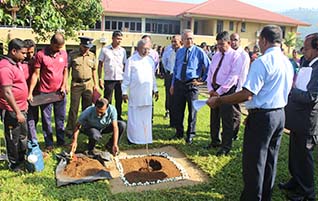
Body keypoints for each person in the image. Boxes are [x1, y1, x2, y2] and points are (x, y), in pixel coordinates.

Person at [206, 25, 294, 200]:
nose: (258, 44)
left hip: (263, 117)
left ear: (264, 40)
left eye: (259, 40)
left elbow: (247, 93)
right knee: (270, 160)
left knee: (254, 162)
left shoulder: (263, 61)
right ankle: (265, 196)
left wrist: (220, 100)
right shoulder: (287, 62)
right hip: (279, 115)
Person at [280, 33, 318, 201]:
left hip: (308, 120)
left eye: (307, 48)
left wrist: (291, 90)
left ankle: (307, 192)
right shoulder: (305, 62)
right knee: (295, 154)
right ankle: (296, 181)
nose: (303, 51)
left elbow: (312, 97)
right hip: (297, 119)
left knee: (305, 157)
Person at [28, 33, 68, 152]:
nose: (59, 49)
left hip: (59, 92)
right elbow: (36, 74)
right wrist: (30, 92)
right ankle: (49, 143)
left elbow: (65, 70)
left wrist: (64, 85)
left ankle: (61, 140)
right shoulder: (41, 55)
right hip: (45, 93)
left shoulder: (64, 54)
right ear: (52, 43)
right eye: (57, 47)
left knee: (60, 118)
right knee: (46, 119)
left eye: (61, 47)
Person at [170, 29, 210, 144]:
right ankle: (179, 132)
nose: (189, 40)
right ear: (182, 40)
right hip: (179, 83)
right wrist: (173, 85)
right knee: (178, 110)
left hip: (191, 84)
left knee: (192, 111)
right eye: (187, 38)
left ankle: (190, 135)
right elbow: (176, 69)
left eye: (191, 38)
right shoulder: (180, 52)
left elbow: (208, 66)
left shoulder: (199, 51)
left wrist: (202, 80)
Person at [205, 31, 241, 156]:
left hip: (226, 91)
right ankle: (214, 141)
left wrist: (219, 92)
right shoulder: (216, 55)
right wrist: (210, 89)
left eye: (222, 44)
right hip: (214, 90)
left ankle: (226, 146)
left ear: (229, 43)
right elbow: (210, 72)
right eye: (218, 45)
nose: (219, 47)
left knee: (227, 120)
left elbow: (233, 77)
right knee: (214, 117)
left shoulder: (235, 56)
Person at [121, 39, 159, 144]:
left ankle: (145, 138)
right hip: (135, 94)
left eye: (148, 49)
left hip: (147, 94)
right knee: (134, 117)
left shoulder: (150, 61)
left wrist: (155, 89)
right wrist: (124, 92)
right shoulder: (131, 60)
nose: (146, 51)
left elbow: (153, 77)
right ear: (138, 48)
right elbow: (126, 78)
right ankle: (132, 138)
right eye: (144, 49)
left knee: (146, 117)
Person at [0, 38, 28, 171]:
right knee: (13, 138)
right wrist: (17, 112)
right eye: (23, 53)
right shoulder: (5, 67)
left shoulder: (16, 64)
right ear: (14, 51)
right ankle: (14, 164)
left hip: (22, 107)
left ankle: (22, 159)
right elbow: (7, 92)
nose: (25, 56)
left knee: (23, 135)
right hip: (11, 110)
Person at [65, 37, 97, 137]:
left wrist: (95, 84)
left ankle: (85, 127)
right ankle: (70, 129)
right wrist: (66, 83)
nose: (86, 49)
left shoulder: (92, 55)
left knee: (87, 108)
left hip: (88, 84)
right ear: (80, 45)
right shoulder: (73, 55)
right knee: (74, 108)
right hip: (76, 84)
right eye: (84, 47)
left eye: (88, 47)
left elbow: (94, 71)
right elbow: (67, 70)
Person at [98, 30, 127, 120]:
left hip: (119, 79)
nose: (119, 41)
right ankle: (107, 116)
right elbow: (100, 64)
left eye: (120, 39)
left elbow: (125, 65)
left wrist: (125, 79)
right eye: (117, 39)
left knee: (119, 99)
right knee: (108, 99)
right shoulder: (105, 50)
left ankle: (118, 116)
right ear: (113, 38)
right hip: (109, 78)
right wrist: (100, 78)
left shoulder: (123, 51)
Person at [230, 33, 250, 141]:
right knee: (229, 112)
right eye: (231, 40)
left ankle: (234, 134)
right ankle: (228, 131)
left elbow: (243, 73)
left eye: (235, 40)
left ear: (239, 41)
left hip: (237, 87)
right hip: (228, 86)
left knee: (235, 112)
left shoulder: (243, 55)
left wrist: (239, 89)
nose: (233, 42)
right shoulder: (230, 53)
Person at [161, 35, 182, 127]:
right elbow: (164, 61)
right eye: (172, 42)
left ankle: (177, 121)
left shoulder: (183, 51)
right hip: (170, 75)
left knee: (178, 99)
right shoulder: (168, 50)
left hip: (180, 78)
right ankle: (171, 118)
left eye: (175, 41)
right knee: (170, 97)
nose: (173, 43)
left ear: (180, 41)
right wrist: (168, 72)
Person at [22, 39, 39, 142]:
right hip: (23, 94)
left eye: (32, 52)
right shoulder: (19, 62)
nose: (29, 55)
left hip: (35, 93)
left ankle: (30, 135)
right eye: (27, 52)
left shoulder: (35, 60)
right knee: (29, 118)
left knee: (35, 117)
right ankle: (32, 140)